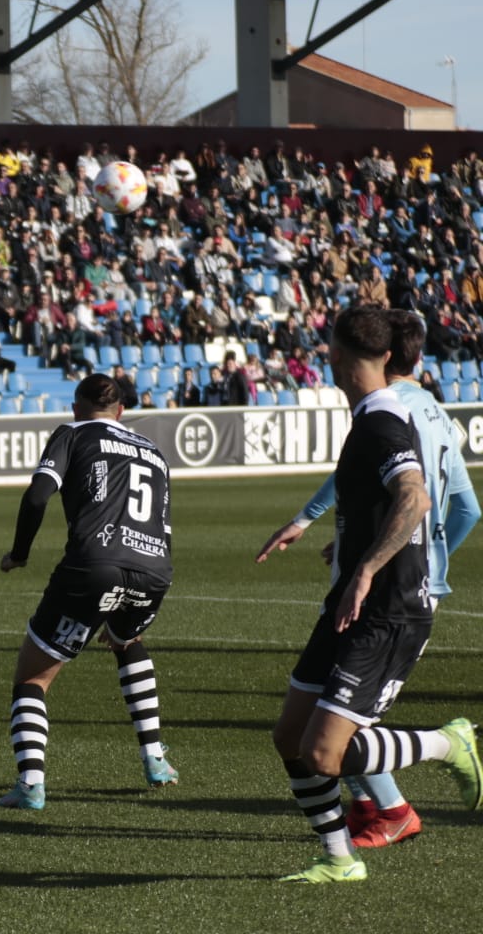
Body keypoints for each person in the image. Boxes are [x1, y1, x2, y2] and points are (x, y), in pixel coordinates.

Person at [259, 306, 481, 884]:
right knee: (291, 737)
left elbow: (415, 498)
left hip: (388, 607)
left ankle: (446, 744)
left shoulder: (385, 417)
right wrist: (357, 546)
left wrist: (370, 567)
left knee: (324, 752)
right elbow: (445, 505)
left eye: (333, 352)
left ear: (339, 357)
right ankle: (339, 859)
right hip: (355, 601)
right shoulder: (380, 415)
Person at [0, 374, 177, 810]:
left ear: (76, 408)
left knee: (33, 678)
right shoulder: (154, 451)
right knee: (127, 639)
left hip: (94, 565)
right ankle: (155, 758)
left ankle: (31, 784)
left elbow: (38, 497)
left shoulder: (72, 433)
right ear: (122, 412)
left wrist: (19, 553)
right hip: (155, 570)